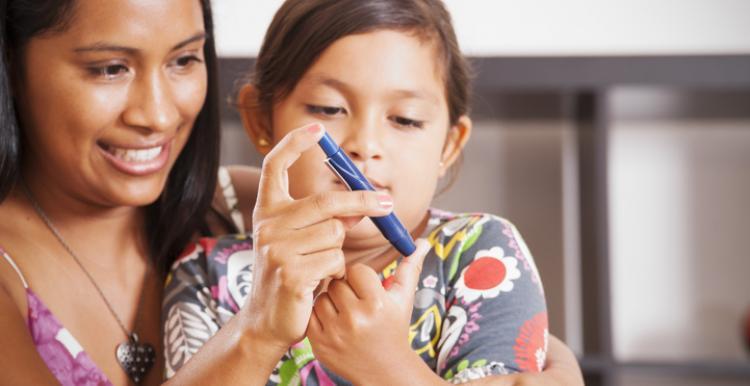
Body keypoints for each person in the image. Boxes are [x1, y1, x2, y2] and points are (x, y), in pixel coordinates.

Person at [0, 0, 580, 385]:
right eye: (108, 68)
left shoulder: (227, 200)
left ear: (451, 141)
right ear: (260, 120)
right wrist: (262, 327)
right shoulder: (209, 271)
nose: (364, 149)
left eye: (183, 59)